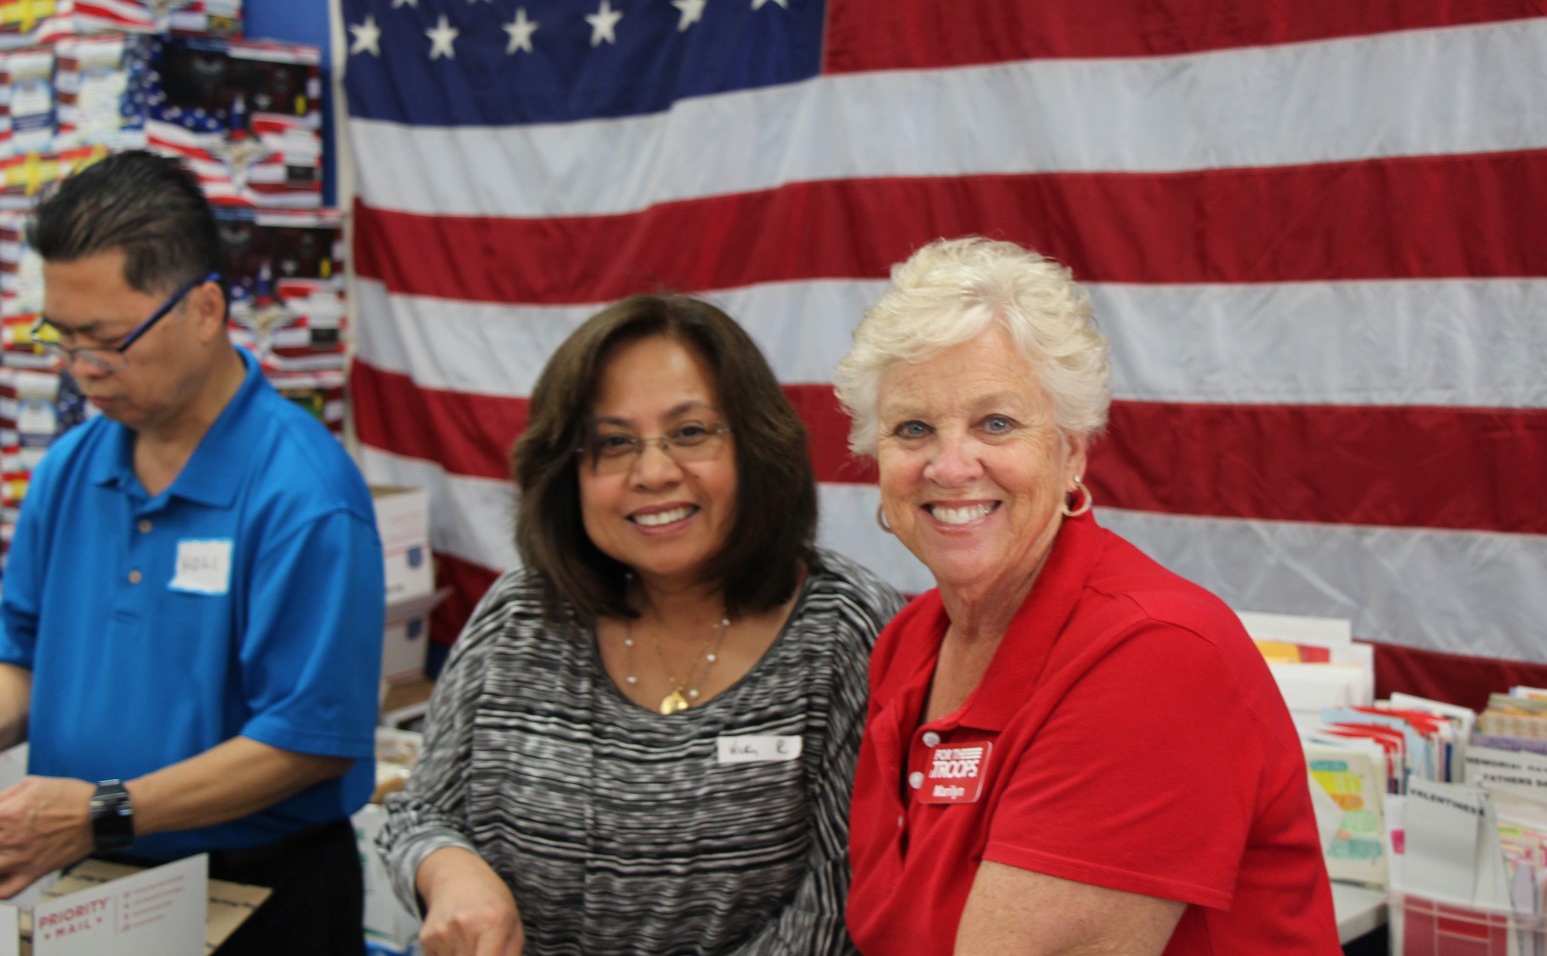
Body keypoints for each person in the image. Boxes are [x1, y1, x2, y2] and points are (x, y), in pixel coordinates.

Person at [835, 237, 1341, 955]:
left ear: (1072, 450)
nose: (949, 466)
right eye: (912, 428)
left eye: (996, 423)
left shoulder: (1155, 656)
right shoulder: (909, 642)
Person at [379, 294, 903, 955]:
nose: (653, 472)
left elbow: (843, 909)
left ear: (756, 446)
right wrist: (449, 870)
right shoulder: (520, 614)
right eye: (614, 442)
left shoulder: (847, 632)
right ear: (568, 470)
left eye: (690, 432)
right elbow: (419, 815)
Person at [0, 151, 383, 955]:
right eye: (61, 340)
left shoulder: (302, 494)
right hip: (101, 887)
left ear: (204, 309)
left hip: (260, 893)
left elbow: (308, 741)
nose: (80, 372)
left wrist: (102, 809)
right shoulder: (70, 470)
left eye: (106, 342)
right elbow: (22, 659)